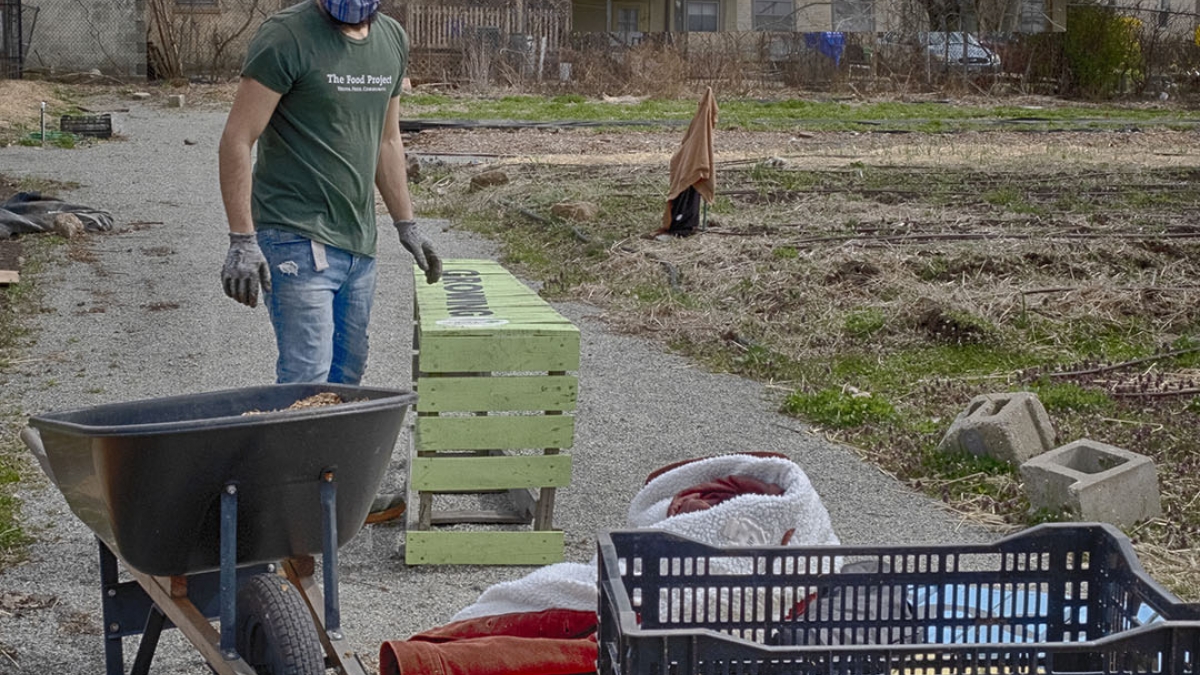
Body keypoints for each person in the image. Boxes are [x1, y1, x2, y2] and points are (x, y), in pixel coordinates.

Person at [219, 0, 438, 523]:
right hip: (293, 235)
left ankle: (329, 501)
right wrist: (242, 238)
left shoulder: (391, 39)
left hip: (358, 242)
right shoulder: (286, 37)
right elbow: (238, 137)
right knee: (306, 375)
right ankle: (279, 512)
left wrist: (406, 223)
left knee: (346, 379)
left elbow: (387, 139)